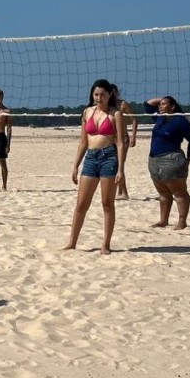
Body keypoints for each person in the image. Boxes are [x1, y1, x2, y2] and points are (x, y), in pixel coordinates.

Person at [64, 79, 126, 254]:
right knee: (81, 204)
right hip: (91, 158)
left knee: (107, 203)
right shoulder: (87, 112)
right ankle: (72, 242)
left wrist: (121, 169)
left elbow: (120, 143)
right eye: (96, 94)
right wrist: (76, 165)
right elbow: (83, 142)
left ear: (110, 95)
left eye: (103, 95)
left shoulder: (116, 114)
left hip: (109, 157)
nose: (99, 98)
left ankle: (105, 244)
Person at [143, 95, 190, 229]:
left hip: (171, 159)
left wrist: (189, 158)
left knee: (179, 193)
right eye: (160, 104)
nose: (160, 106)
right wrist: (161, 99)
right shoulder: (159, 118)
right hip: (154, 160)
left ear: (172, 107)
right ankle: (163, 221)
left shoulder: (180, 120)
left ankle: (182, 221)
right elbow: (147, 105)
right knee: (163, 193)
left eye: (164, 104)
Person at [113, 87, 140, 199]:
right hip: (111, 138)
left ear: (117, 92)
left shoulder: (123, 104)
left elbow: (134, 119)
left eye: (114, 92)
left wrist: (134, 136)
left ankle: (122, 192)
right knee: (115, 165)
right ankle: (122, 191)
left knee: (120, 165)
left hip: (123, 138)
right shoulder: (106, 105)